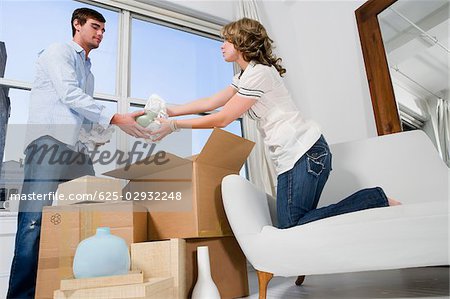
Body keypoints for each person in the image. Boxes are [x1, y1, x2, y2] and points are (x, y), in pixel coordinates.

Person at [152, 18, 401, 227]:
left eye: (227, 40)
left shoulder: (259, 74)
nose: (222, 45)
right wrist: (171, 111)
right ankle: (370, 204)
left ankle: (374, 199)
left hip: (303, 153)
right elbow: (210, 102)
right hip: (301, 155)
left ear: (242, 42)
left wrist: (174, 126)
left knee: (291, 226)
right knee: (297, 223)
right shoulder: (246, 75)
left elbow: (223, 117)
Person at [7, 8, 150, 299]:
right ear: (77, 24)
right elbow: (69, 95)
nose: (100, 34)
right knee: (34, 222)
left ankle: (80, 289)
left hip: (74, 151)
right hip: (47, 144)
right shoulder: (58, 52)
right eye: (95, 27)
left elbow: (83, 118)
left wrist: (117, 129)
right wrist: (115, 117)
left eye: (103, 30)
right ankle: (21, 295)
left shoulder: (89, 71)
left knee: (93, 213)